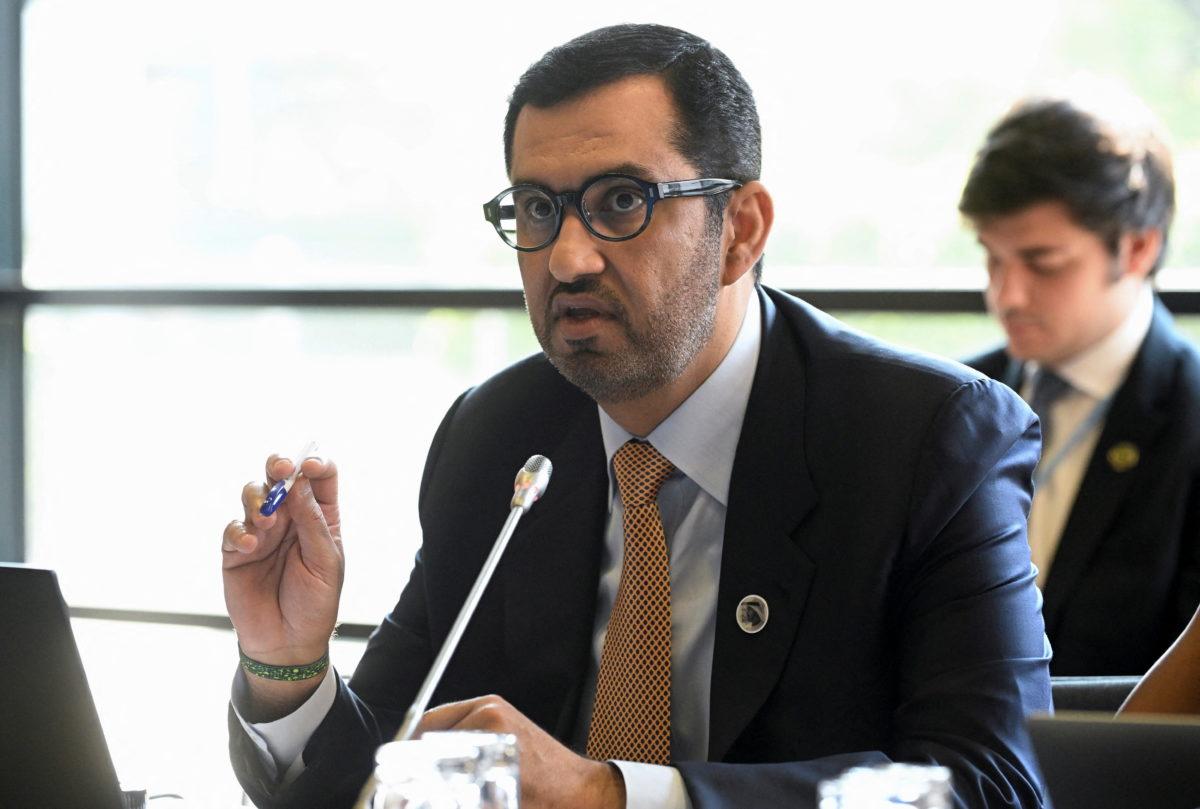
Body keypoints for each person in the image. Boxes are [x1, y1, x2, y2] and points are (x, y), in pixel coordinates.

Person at [223, 24, 1051, 809]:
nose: (568, 258)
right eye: (538, 209)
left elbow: (989, 783)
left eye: (622, 201)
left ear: (742, 230)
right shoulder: (498, 436)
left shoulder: (927, 439)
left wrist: (614, 794)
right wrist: (287, 665)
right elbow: (384, 775)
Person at [960, 95, 1200, 676]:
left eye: (1043, 263)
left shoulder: (1192, 419)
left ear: (1138, 247)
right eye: (993, 260)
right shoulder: (956, 400)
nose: (1006, 296)